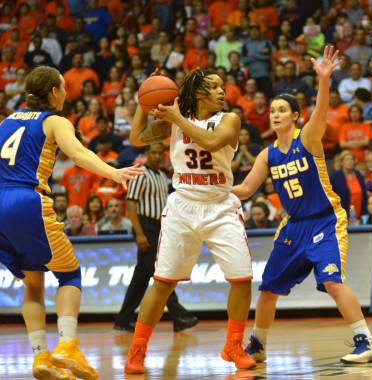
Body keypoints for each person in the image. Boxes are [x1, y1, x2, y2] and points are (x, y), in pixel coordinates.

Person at [232, 46, 372, 364]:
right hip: (294, 225)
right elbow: (245, 189)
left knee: (331, 280)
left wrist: (324, 80)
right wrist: (213, 190)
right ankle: (257, 346)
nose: (275, 114)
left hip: (325, 220)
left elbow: (322, 112)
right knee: (268, 290)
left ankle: (366, 341)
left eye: (282, 110)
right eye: (272, 110)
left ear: (295, 116)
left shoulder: (309, 138)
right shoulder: (267, 154)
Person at [0, 65, 143, 380]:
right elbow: (78, 153)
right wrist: (115, 173)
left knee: (33, 283)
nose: (67, 93)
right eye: (64, 87)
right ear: (53, 92)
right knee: (70, 275)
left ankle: (40, 357)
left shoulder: (6, 121)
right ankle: (67, 345)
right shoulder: (54, 121)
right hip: (26, 200)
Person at [124, 67, 256, 374]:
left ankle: (233, 344)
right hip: (183, 206)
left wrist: (176, 119)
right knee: (163, 282)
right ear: (198, 92)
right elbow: (135, 137)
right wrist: (143, 100)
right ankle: (137, 350)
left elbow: (211, 143)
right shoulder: (174, 121)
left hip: (221, 205)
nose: (223, 91)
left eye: (224, 86)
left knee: (242, 278)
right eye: (215, 87)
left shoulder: (229, 119)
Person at [114, 143, 199, 333]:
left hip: (159, 227)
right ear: (146, 154)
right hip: (145, 226)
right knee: (162, 272)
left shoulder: (162, 175)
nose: (158, 156)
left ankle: (123, 318)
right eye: (154, 152)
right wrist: (140, 233)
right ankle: (179, 316)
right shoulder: (141, 173)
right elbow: (131, 205)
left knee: (141, 277)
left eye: (161, 153)